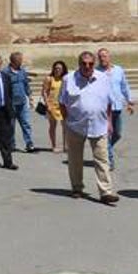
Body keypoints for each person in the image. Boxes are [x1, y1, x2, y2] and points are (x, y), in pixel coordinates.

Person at [58, 52, 120, 204]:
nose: (87, 67)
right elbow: (62, 102)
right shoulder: (69, 79)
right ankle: (77, 188)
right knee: (75, 160)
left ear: (94, 64)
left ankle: (106, 192)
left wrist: (110, 122)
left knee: (102, 160)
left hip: (99, 124)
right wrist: (67, 121)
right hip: (75, 125)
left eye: (90, 64)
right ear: (79, 64)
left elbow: (109, 103)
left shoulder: (103, 78)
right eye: (84, 64)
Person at [97, 48, 135, 169]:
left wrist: (129, 100)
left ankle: (105, 149)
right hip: (103, 109)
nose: (102, 59)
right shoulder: (96, 72)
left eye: (104, 56)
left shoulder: (118, 70)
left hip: (117, 107)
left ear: (109, 57)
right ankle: (109, 160)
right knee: (107, 134)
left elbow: (124, 86)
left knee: (117, 134)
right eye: (100, 57)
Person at [3, 51, 35, 153]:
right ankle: (11, 144)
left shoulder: (22, 71)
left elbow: (26, 85)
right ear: (13, 61)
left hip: (22, 102)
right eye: (19, 61)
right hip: (10, 103)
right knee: (11, 125)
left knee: (26, 123)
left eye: (20, 60)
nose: (20, 62)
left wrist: (30, 97)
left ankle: (29, 143)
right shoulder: (5, 72)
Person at [41, 60, 68, 153]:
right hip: (52, 105)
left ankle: (65, 146)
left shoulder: (65, 79)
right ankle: (54, 146)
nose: (57, 70)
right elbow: (44, 92)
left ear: (63, 69)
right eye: (56, 68)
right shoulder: (49, 79)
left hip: (63, 105)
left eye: (60, 68)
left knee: (65, 127)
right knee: (53, 126)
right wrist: (47, 104)